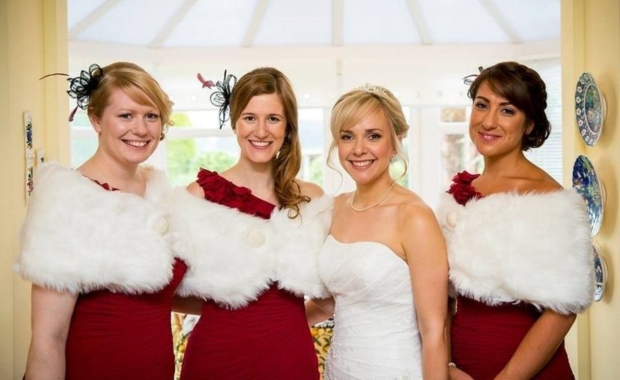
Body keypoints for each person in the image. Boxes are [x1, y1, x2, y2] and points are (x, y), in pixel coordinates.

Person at [14, 62, 187, 379]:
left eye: (151, 115)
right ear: (96, 120)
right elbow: (48, 339)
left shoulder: (160, 196)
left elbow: (164, 295)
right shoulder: (67, 199)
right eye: (125, 116)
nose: (141, 128)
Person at [168, 67, 332, 380]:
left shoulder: (312, 200)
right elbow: (166, 292)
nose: (261, 131)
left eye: (273, 118)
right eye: (249, 117)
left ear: (288, 127)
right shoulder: (199, 197)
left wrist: (284, 323)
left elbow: (328, 300)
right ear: (234, 123)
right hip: (217, 356)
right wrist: (228, 308)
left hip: (289, 357)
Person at [437, 61, 594, 380]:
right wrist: (446, 366)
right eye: (482, 105)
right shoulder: (463, 194)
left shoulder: (549, 199)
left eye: (507, 110)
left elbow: (562, 310)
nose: (488, 121)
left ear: (530, 125)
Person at [305, 84, 450, 379]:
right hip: (339, 369)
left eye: (373, 136)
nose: (359, 149)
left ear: (396, 142)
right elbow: (332, 301)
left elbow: (435, 330)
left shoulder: (415, 217)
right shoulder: (334, 209)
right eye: (348, 136)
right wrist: (268, 325)